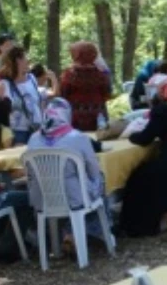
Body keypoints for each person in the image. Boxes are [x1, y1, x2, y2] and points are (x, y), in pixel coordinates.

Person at [25, 98, 109, 250]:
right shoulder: (77, 137)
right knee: (101, 182)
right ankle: (96, 233)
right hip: (75, 198)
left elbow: (30, 174)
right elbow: (93, 170)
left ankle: (66, 234)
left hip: (44, 198)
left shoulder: (33, 139)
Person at [118, 75, 167, 236]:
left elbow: (145, 138)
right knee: (147, 169)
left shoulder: (163, 111)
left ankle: (138, 226)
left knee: (136, 177)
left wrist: (131, 136)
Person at [59, 41, 112, 132]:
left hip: (76, 120)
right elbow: (107, 93)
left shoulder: (69, 74)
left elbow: (63, 95)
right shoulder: (102, 74)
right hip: (98, 119)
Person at [0, 46, 46, 144]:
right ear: (17, 60)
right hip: (18, 132)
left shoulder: (32, 79)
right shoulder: (4, 84)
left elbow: (38, 102)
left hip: (37, 129)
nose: (28, 61)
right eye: (25, 58)